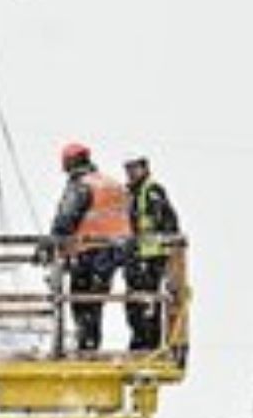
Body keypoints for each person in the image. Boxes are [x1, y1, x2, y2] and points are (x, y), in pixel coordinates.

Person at [48, 142, 130, 352]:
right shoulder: (111, 184)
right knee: (94, 302)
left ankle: (86, 346)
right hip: (114, 252)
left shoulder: (82, 185)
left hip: (90, 251)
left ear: (70, 162)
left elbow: (66, 220)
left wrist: (49, 246)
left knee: (81, 302)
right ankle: (90, 344)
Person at [123, 155, 181, 352]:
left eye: (134, 168)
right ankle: (140, 341)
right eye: (128, 169)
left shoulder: (152, 190)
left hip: (150, 257)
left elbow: (166, 222)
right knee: (135, 303)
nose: (130, 173)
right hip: (138, 256)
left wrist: (162, 251)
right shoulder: (133, 193)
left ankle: (148, 344)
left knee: (147, 303)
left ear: (145, 169)